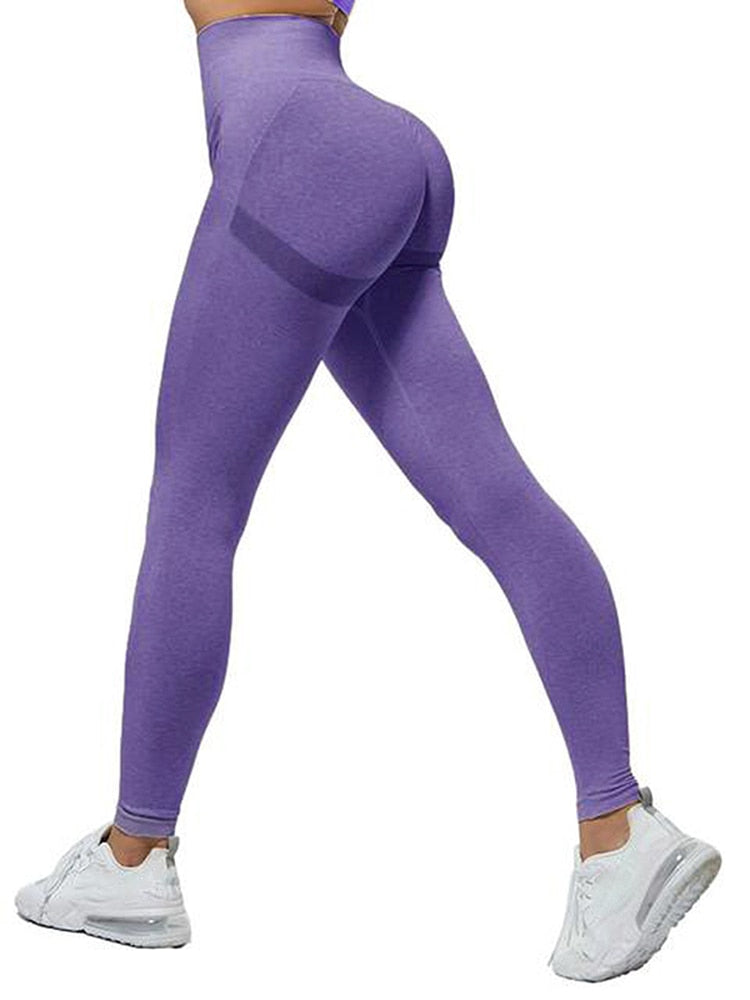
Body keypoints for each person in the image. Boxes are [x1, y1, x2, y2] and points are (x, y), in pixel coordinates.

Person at [14, 0, 720, 980]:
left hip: (300, 148)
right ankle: (620, 826)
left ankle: (132, 859)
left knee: (194, 505)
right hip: (380, 150)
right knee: (498, 499)